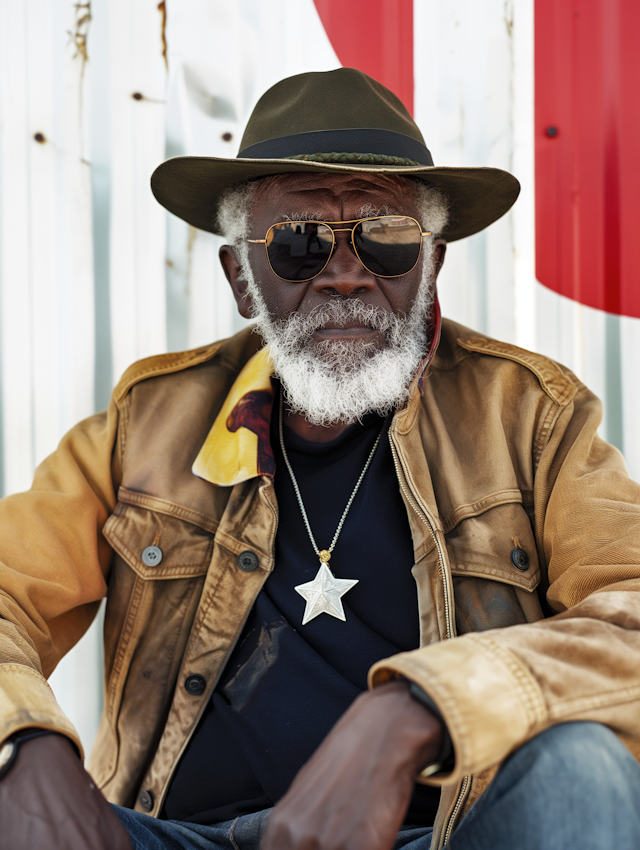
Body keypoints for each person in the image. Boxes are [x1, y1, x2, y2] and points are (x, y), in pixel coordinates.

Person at [1, 68, 640, 850]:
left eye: (389, 238)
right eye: (299, 243)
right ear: (242, 278)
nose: (347, 272)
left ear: (432, 267)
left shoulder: (533, 416)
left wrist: (418, 708)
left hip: (433, 838)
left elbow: (631, 616)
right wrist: (21, 743)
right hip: (175, 838)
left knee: (582, 771)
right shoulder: (147, 422)